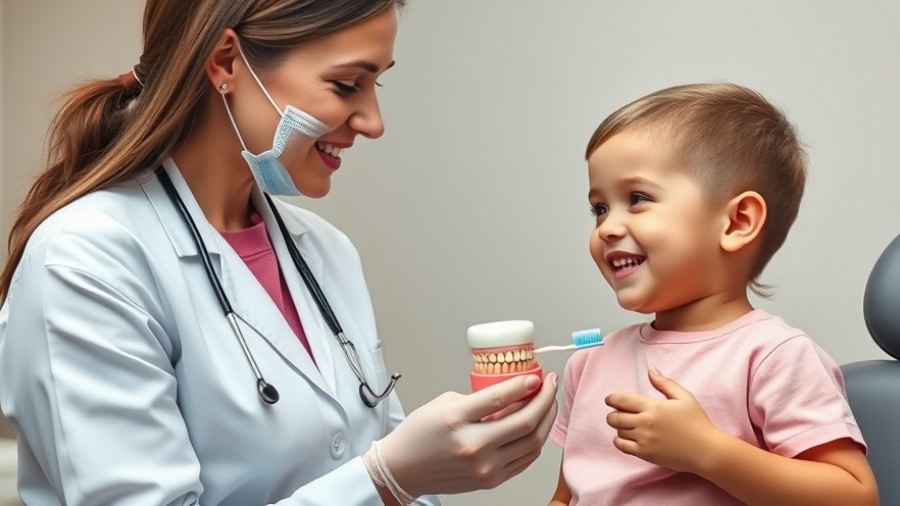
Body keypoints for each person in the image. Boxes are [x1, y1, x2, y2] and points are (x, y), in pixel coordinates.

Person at [0, 1, 560, 505]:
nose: (373, 123)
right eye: (346, 85)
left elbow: (383, 457)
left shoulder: (324, 252)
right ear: (226, 62)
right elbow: (381, 473)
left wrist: (426, 470)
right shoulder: (85, 261)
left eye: (376, 86)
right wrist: (386, 482)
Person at [548, 83, 878, 505]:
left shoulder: (774, 356)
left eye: (637, 198)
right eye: (600, 208)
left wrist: (707, 451)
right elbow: (566, 495)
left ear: (738, 222)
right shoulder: (589, 364)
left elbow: (855, 496)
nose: (608, 228)